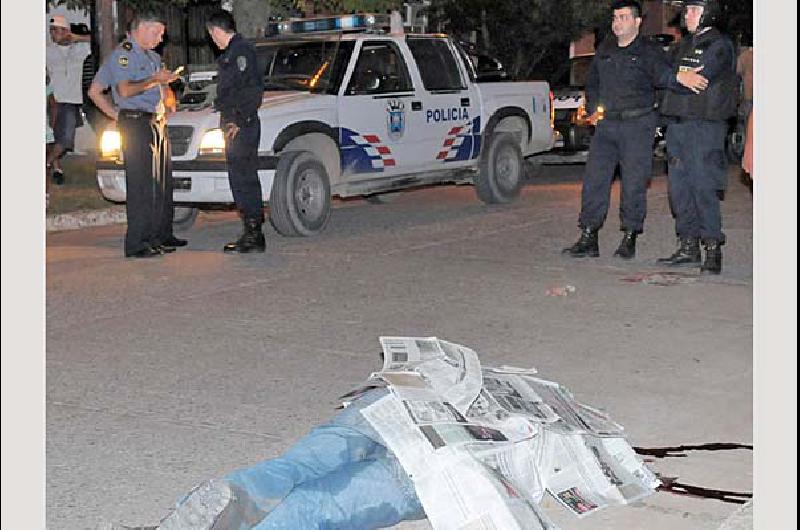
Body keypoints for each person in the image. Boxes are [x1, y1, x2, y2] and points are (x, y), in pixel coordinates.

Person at [562, 0, 702, 260]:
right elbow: (592, 83)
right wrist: (592, 109)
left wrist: (682, 82)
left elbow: (664, 79)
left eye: (624, 17)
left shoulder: (649, 51)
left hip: (638, 125)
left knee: (634, 184)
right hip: (606, 127)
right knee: (594, 181)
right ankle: (589, 235)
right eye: (615, 18)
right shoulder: (605, 48)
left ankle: (630, 236)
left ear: (637, 22)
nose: (617, 23)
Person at [88, 11, 188, 258]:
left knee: (161, 182)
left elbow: (161, 87)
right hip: (134, 122)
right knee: (141, 184)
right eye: (157, 32)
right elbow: (119, 90)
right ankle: (137, 243)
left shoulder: (152, 56)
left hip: (155, 122)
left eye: (162, 33)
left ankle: (161, 234)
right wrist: (116, 115)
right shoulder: (124, 55)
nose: (161, 37)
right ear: (142, 29)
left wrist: (168, 97)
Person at [657, 0, 738, 274]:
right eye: (687, 9)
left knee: (704, 187)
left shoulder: (719, 45)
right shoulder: (681, 46)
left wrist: (673, 78)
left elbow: (701, 78)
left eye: (694, 10)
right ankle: (688, 246)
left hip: (704, 128)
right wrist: (678, 77)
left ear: (710, 13)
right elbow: (662, 75)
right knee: (679, 191)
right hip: (678, 127)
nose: (687, 15)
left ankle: (712, 248)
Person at [206, 11, 266, 253]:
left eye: (212, 35)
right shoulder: (234, 52)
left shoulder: (240, 51)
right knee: (240, 177)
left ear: (215, 31)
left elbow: (251, 90)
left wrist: (238, 120)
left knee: (243, 178)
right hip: (236, 122)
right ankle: (251, 231)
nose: (213, 41)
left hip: (241, 124)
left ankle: (254, 234)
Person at [46, 14, 91, 185]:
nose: (53, 34)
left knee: (65, 140)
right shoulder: (48, 51)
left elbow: (97, 40)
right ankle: (57, 169)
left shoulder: (79, 50)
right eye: (52, 31)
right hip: (53, 100)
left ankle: (47, 164)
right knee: (53, 138)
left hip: (71, 100)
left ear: (66, 31)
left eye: (56, 30)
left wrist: (77, 37)